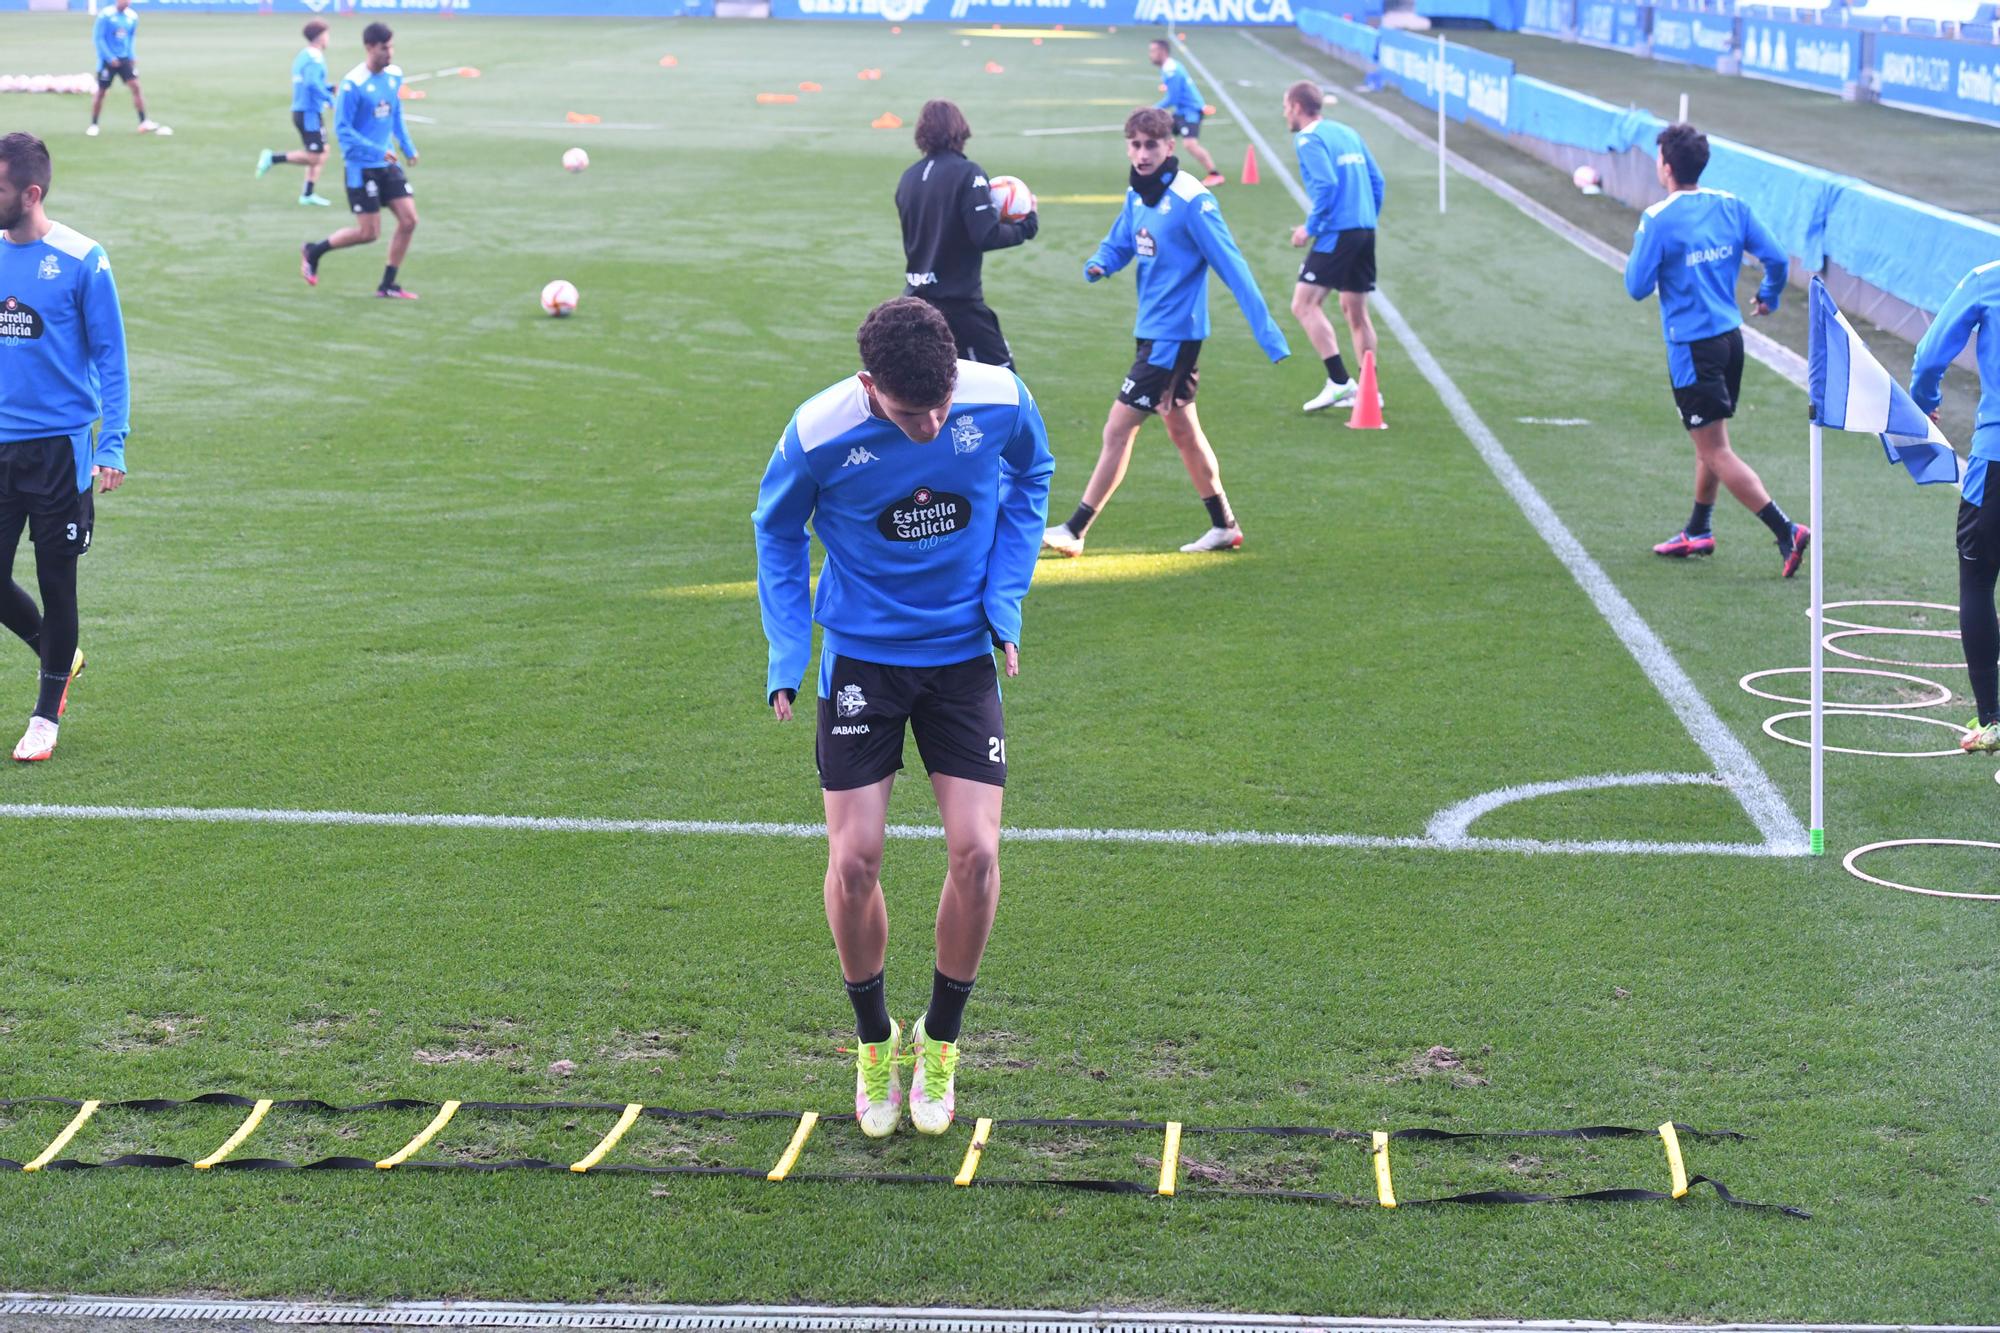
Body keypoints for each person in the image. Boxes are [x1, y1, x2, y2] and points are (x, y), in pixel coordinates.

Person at [753, 297, 1053, 1140]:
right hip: (864, 658)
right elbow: (775, 532)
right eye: (909, 411)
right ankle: (875, 1042)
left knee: (978, 850)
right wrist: (788, 650)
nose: (931, 423)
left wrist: (1004, 597)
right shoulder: (817, 433)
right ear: (868, 387)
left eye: (941, 404)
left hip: (960, 655)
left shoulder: (998, 398)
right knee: (855, 860)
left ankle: (943, 1043)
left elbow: (1035, 475)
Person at [1043, 108, 1288, 558]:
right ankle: (1224, 526)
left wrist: (1269, 334)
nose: (1141, 154)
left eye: (1151, 145)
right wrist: (1101, 262)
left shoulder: (1194, 201)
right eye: (1134, 144)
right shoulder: (1139, 193)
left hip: (1174, 337)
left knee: (1118, 428)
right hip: (1152, 329)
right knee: (1183, 432)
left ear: (1170, 147)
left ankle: (1076, 529)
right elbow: (1122, 241)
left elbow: (1233, 266)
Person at [1624, 122, 1808, 576]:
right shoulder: (1732, 206)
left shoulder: (1658, 219)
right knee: (1710, 441)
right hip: (1731, 341)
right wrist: (1769, 295)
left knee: (1713, 449)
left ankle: (1786, 530)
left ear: (1666, 166)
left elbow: (1635, 286)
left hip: (1691, 347)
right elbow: (1778, 260)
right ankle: (1699, 529)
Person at [0, 134, 127, 763]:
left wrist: (114, 444)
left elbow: (112, 357)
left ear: (30, 193)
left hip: (60, 452)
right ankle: (59, 651)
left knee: (57, 583)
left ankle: (45, 715)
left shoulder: (83, 259)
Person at [1906, 259, 2000, 754]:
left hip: (1996, 459)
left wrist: (1924, 400)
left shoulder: (1987, 278)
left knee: (1979, 579)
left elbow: (1927, 359)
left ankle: (1992, 721)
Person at [895, 99, 1038, 371]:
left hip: (916, 303)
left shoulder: (908, 178)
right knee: (1004, 383)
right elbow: (986, 234)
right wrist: (1027, 226)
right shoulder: (968, 173)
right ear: (960, 131)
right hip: (960, 309)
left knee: (937, 388)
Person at [1283, 80, 1384, 415]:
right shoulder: (1346, 132)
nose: (1286, 113)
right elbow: (1376, 181)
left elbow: (1326, 184)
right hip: (1364, 230)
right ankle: (1371, 390)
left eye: (1286, 106)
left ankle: (1340, 382)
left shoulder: (1308, 139)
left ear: (1297, 107)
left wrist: (1308, 229)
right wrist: (1366, 216)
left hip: (1337, 232)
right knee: (1356, 311)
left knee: (1303, 304)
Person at [300, 22, 420, 299]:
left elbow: (395, 114)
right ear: (369, 48)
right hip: (361, 167)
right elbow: (343, 131)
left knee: (409, 220)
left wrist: (407, 146)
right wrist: (377, 150)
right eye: (384, 48)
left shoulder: (394, 76)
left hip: (387, 164)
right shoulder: (353, 84)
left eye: (391, 46)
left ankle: (388, 285)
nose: (390, 53)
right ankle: (313, 251)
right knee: (368, 233)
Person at [256, 21, 336, 208]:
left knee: (323, 151)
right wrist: (330, 99)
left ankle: (307, 193)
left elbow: (310, 83)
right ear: (321, 36)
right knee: (315, 156)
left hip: (304, 110)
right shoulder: (315, 58)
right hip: (309, 113)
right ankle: (272, 158)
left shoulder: (304, 55)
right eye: (327, 34)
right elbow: (311, 84)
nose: (328, 38)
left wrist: (330, 88)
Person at [87, 0, 169, 138]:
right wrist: (109, 57)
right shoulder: (105, 15)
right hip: (108, 61)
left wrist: (131, 55)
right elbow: (98, 38)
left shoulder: (132, 16)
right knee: (101, 92)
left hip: (124, 59)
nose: (127, 2)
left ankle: (143, 121)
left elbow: (130, 37)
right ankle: (94, 125)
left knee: (136, 87)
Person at [1148, 39, 1223, 188]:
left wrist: (1152, 109)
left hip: (1190, 112)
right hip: (1181, 111)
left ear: (1162, 52)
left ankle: (1215, 174)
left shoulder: (1172, 70)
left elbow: (1172, 98)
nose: (1150, 55)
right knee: (1158, 135)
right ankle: (1159, 171)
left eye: (1153, 51)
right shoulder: (1170, 67)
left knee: (1190, 144)